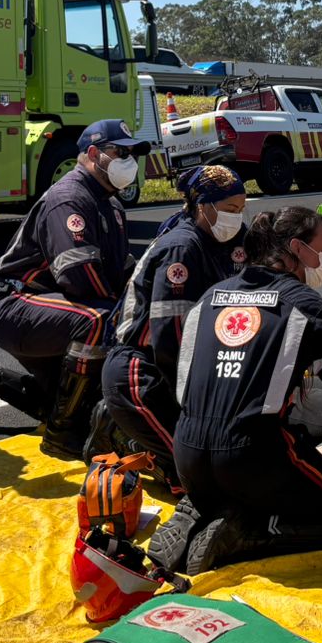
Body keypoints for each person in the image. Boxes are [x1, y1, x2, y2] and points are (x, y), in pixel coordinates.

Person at [146, 206, 322, 576]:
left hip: (186, 451)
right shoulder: (309, 309)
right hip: (252, 455)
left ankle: (206, 508)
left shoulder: (211, 296)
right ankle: (247, 531)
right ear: (298, 249)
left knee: (285, 463)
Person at [0, 119, 146, 457]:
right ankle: (61, 435)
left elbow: (122, 273)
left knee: (67, 401)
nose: (129, 160)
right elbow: (79, 277)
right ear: (93, 153)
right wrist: (125, 319)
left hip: (59, 308)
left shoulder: (112, 205)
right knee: (101, 323)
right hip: (15, 303)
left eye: (132, 153)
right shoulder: (69, 199)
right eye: (120, 151)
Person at [89, 165, 248, 482]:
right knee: (197, 474)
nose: (237, 217)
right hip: (142, 369)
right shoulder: (182, 248)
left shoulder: (231, 238)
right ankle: (121, 438)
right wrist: (202, 397)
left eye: (242, 209)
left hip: (187, 363)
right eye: (230, 209)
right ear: (203, 205)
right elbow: (169, 338)